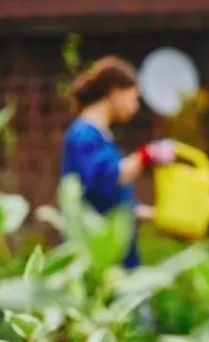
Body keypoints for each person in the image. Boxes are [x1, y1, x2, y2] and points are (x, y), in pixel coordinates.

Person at [60, 55, 175, 270]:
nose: (135, 106)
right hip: (97, 256)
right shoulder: (83, 135)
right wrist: (147, 155)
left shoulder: (102, 137)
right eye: (133, 97)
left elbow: (108, 202)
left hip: (118, 254)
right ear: (115, 92)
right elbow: (107, 177)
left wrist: (159, 215)